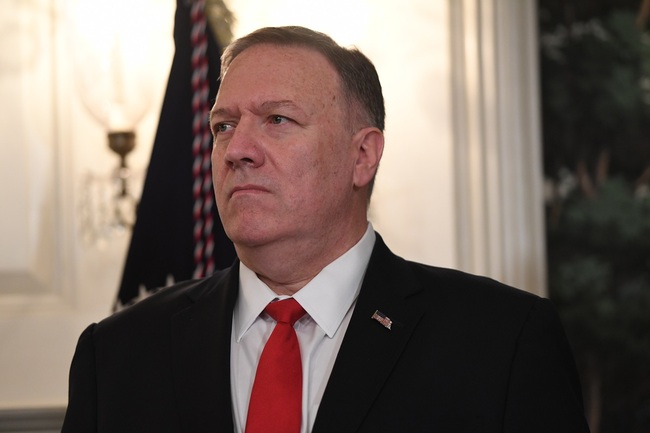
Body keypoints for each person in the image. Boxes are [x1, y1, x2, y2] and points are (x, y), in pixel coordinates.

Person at [61, 26, 590, 433]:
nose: (238, 149)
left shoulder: (501, 342)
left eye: (277, 120)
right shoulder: (118, 356)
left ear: (362, 156)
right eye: (224, 126)